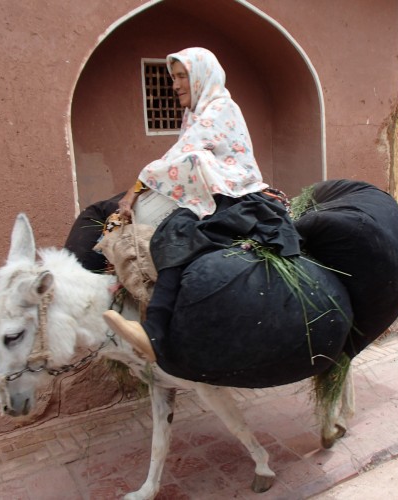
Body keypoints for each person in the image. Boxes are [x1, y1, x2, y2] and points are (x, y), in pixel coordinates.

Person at [102, 47, 300, 363]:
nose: (176, 84)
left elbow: (183, 156)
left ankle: (155, 330)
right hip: (212, 192)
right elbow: (180, 159)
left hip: (235, 194)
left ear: (201, 77)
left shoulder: (221, 108)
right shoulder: (195, 113)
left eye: (182, 76)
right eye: (174, 77)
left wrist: (134, 190)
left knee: (176, 232)